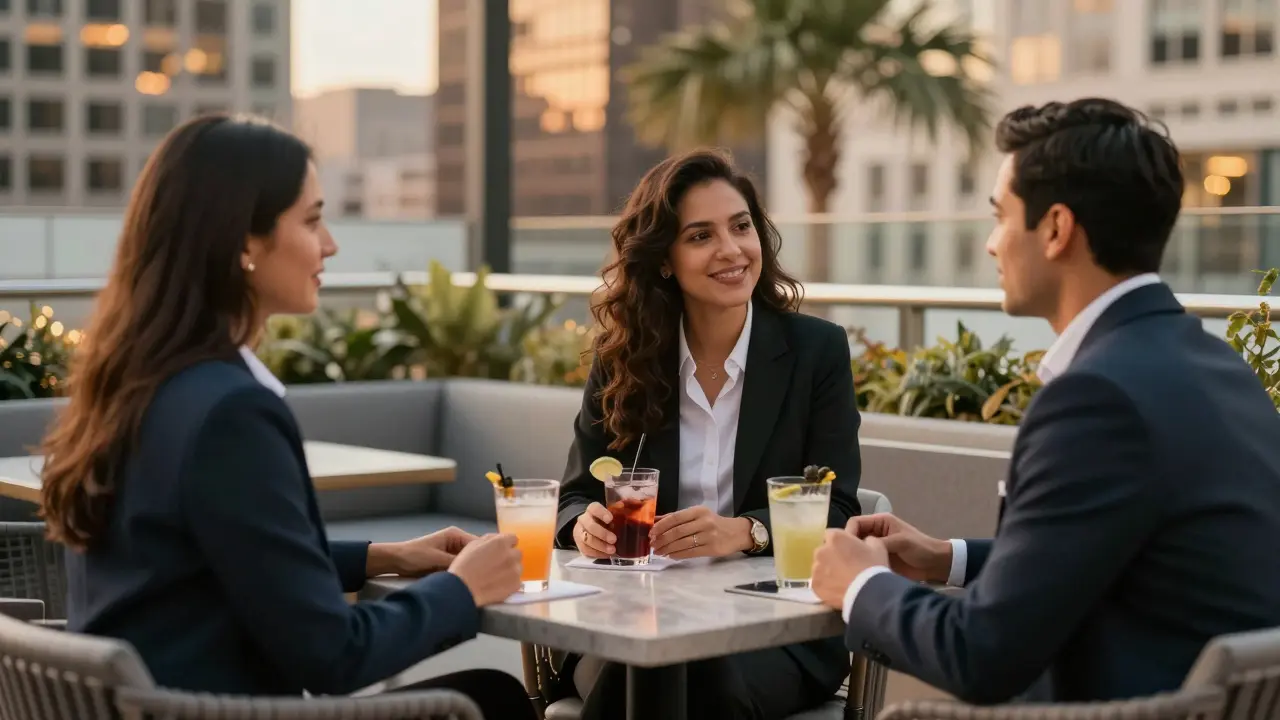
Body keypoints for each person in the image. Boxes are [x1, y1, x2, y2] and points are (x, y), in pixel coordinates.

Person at [39, 114, 537, 718]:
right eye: (311, 220)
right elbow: (332, 657)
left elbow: (216, 552)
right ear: (244, 242)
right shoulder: (231, 412)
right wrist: (462, 589)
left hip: (148, 704)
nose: (330, 245)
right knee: (493, 700)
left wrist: (387, 556)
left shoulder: (133, 386)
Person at [811, 98, 1280, 704]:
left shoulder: (1097, 400)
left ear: (1056, 229)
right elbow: (1120, 559)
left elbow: (982, 655)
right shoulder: (1219, 369)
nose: (990, 244)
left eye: (1000, 216)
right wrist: (945, 559)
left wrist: (861, 584)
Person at [556, 148, 862, 719]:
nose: (731, 250)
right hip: (632, 616)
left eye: (741, 226)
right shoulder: (624, 361)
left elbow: (840, 509)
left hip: (774, 629)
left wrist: (745, 532)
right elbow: (572, 496)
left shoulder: (816, 353)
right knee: (652, 655)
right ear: (665, 260)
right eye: (700, 236)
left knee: (688, 668)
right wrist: (583, 527)